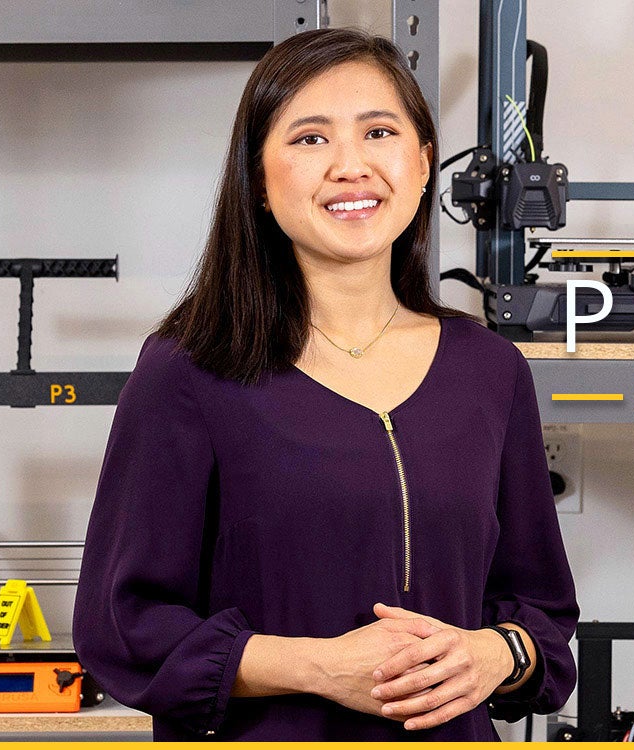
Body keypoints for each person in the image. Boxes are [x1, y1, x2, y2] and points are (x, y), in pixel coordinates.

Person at [73, 27, 578, 741]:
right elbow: (122, 630)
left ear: (424, 160)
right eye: (309, 139)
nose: (350, 165)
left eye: (378, 131)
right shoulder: (190, 367)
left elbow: (542, 612)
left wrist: (495, 652)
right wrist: (315, 667)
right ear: (257, 180)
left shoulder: (489, 371)